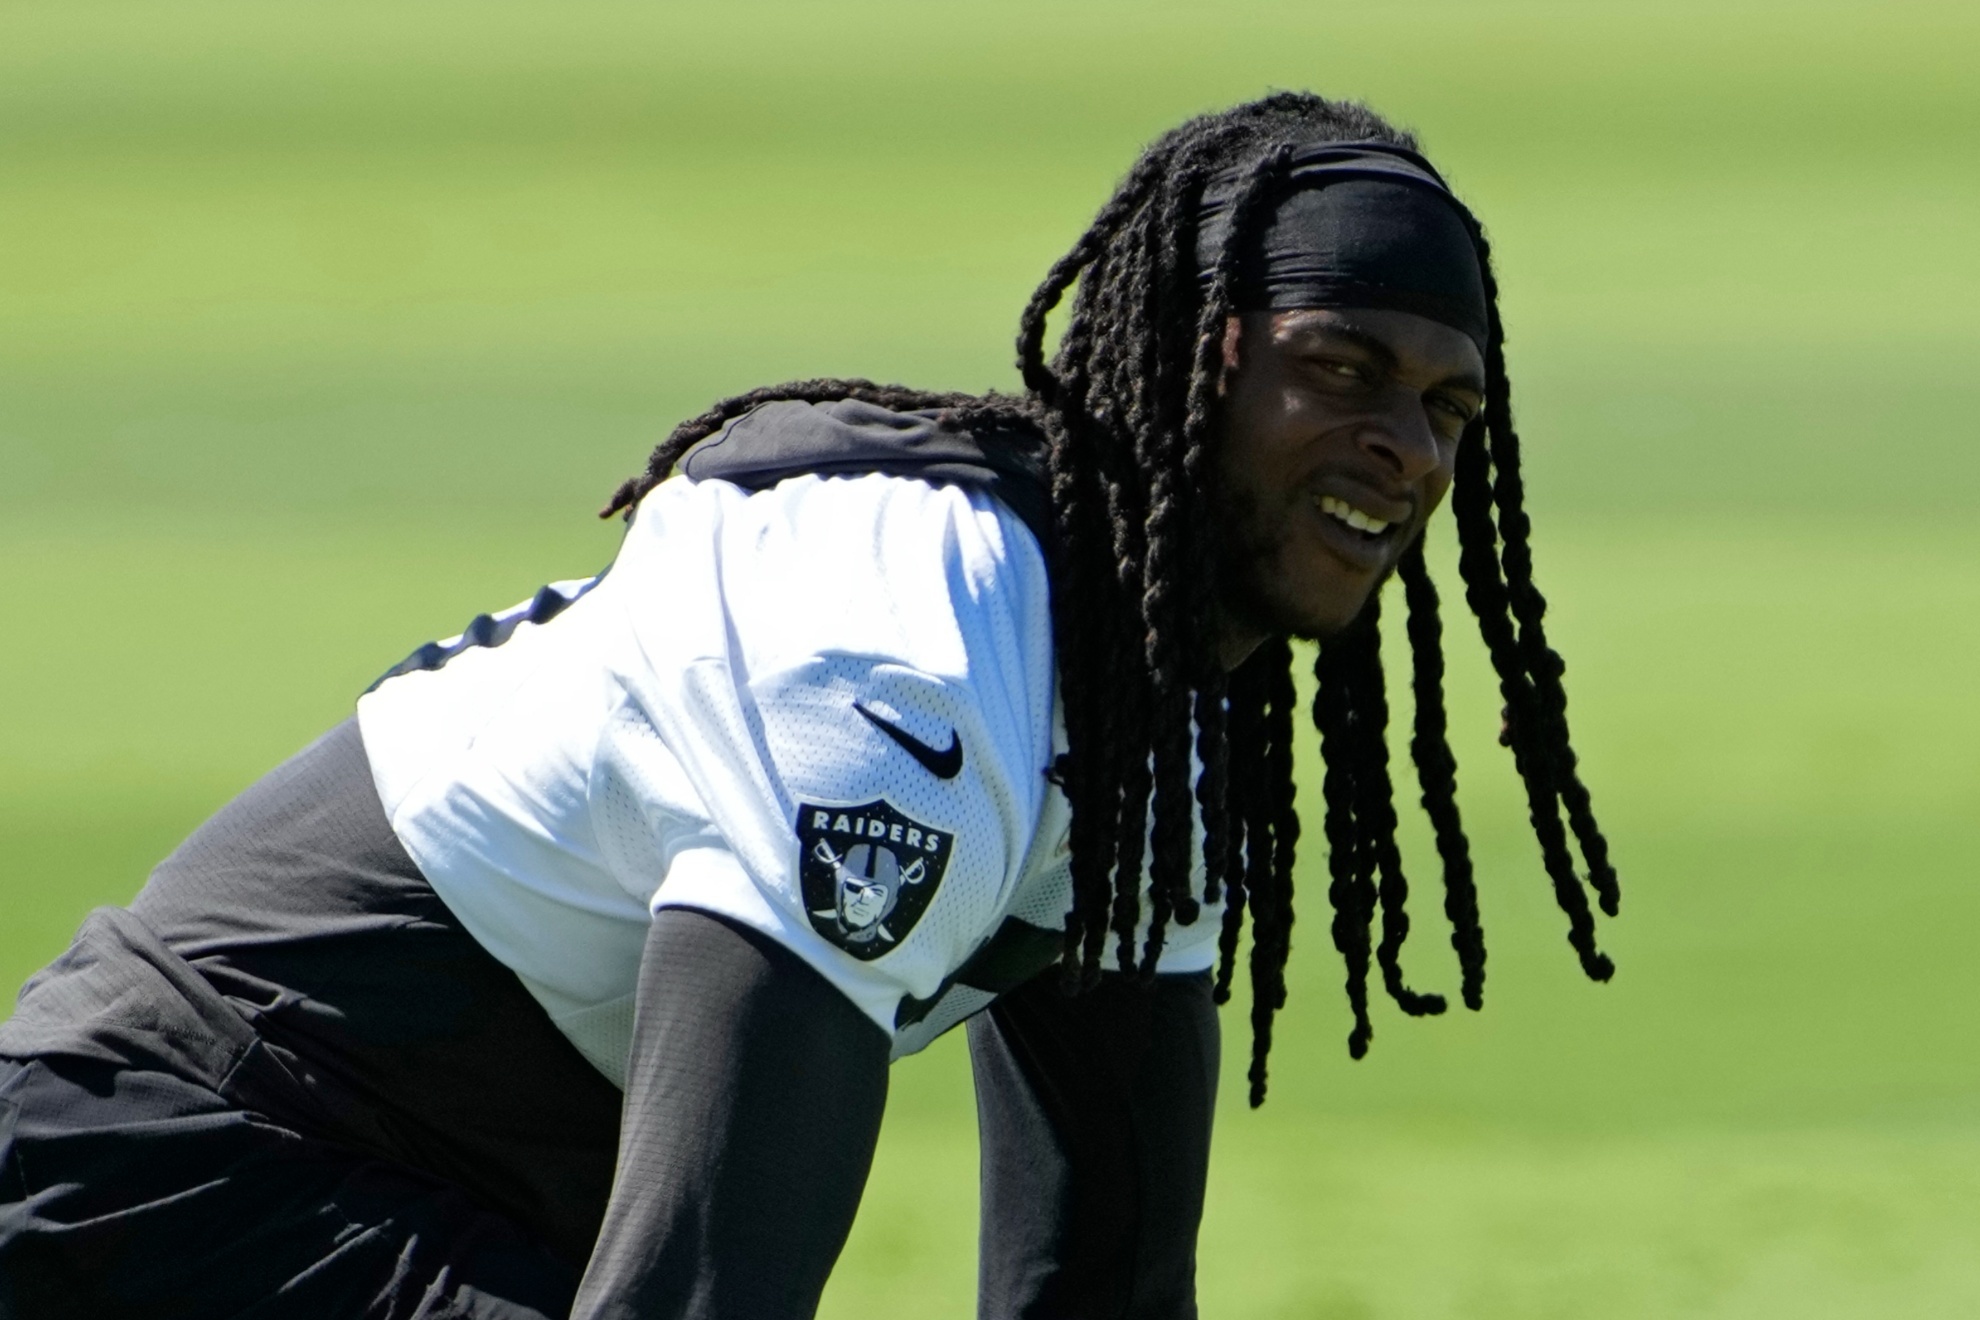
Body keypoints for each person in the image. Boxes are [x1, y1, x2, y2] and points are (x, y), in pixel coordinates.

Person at [0, 92, 1619, 1319]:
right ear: (1195, 362)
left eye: (1445, 406)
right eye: (1340, 370)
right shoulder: (906, 645)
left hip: (437, 1209)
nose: (1408, 446)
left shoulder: (1158, 739)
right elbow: (707, 1278)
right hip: (175, 1168)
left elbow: (1099, 1272)